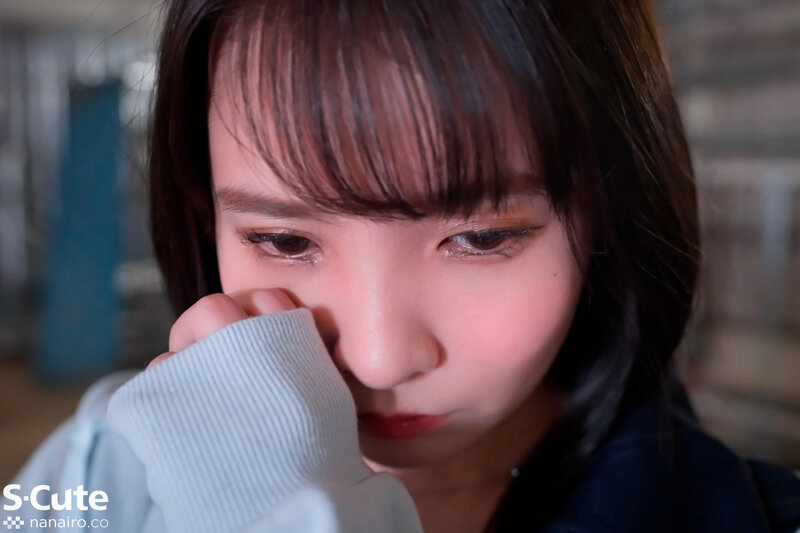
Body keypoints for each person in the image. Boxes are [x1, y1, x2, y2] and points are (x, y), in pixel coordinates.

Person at [11, 0, 800, 531]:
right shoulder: (94, 473)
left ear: (611, 213)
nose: (378, 358)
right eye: (283, 240)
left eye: (481, 239)